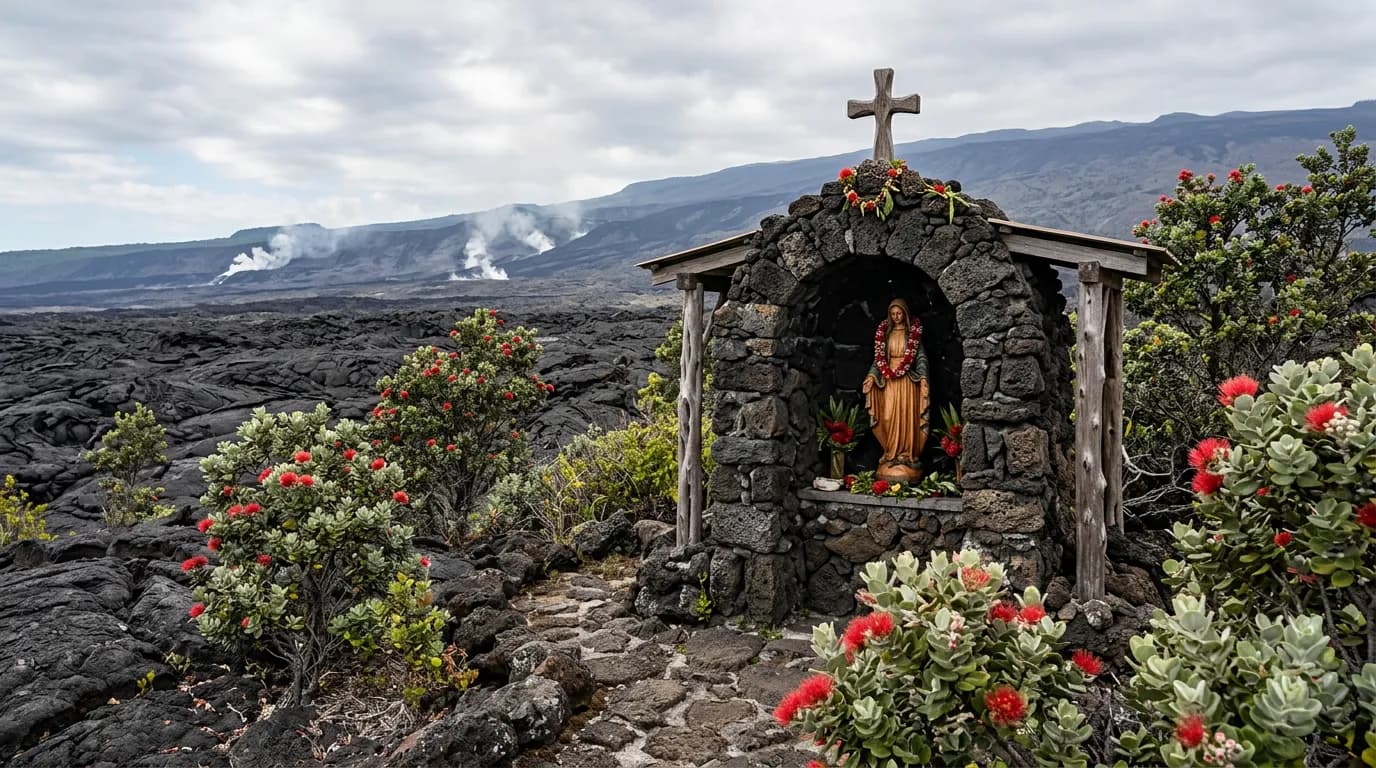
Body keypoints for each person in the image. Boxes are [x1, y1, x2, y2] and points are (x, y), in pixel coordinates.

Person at [862, 298, 930, 482]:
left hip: (907, 381)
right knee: (887, 416)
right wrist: (871, 376)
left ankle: (906, 455)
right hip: (890, 379)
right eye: (893, 314)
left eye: (899, 313)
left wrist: (923, 378)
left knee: (907, 417)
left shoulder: (911, 334)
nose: (896, 316)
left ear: (905, 314)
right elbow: (879, 360)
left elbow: (921, 358)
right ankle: (890, 453)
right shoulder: (887, 333)